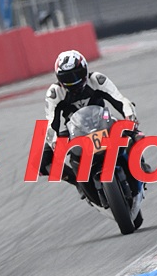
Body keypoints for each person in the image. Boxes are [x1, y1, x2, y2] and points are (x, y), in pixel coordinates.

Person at [38, 50, 142, 186]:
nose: (73, 81)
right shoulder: (55, 92)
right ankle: (79, 184)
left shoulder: (97, 80)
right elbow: (51, 122)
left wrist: (130, 118)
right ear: (59, 78)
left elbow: (120, 100)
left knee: (136, 136)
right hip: (74, 130)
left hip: (104, 121)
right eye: (67, 78)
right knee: (43, 163)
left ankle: (140, 166)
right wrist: (55, 143)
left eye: (77, 74)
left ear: (85, 70)